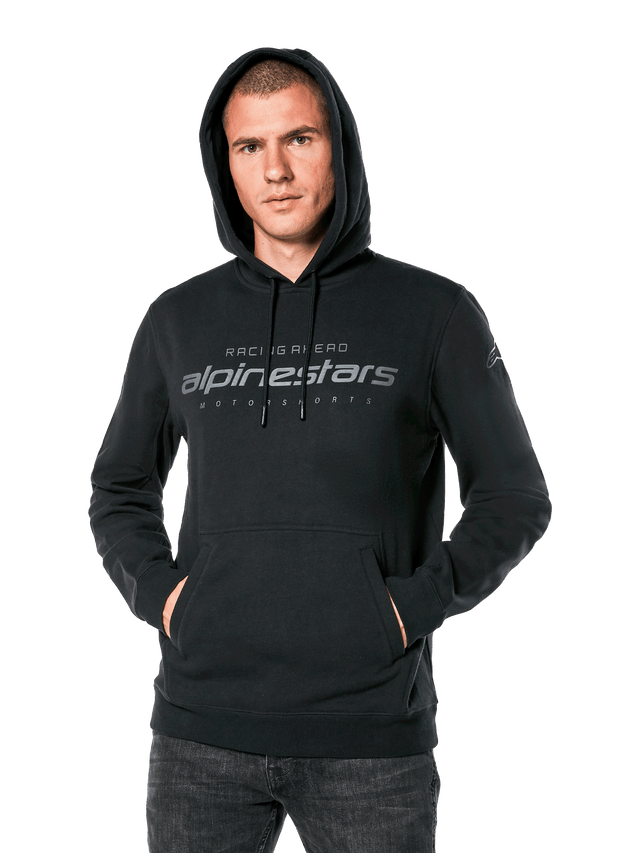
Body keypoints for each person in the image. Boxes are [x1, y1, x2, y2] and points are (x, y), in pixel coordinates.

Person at [89, 46, 552, 853]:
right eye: (249, 146)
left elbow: (514, 495)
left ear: (340, 144)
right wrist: (168, 600)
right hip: (200, 734)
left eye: (298, 138)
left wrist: (407, 608)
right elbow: (119, 486)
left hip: (370, 740)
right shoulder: (177, 320)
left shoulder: (433, 312)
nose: (275, 170)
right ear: (224, 163)